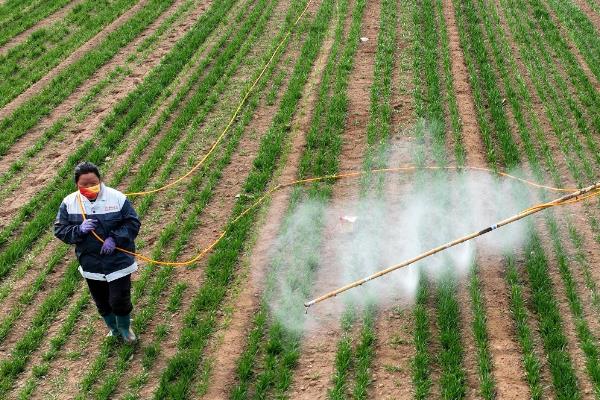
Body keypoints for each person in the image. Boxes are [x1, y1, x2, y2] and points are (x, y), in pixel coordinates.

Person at [54, 162, 141, 343]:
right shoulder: (69, 203)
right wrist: (79, 230)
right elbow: (60, 230)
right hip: (90, 261)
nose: (89, 187)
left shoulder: (117, 198)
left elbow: (132, 223)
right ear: (77, 185)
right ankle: (113, 328)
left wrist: (114, 239)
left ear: (100, 180)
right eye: (83, 185)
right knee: (101, 301)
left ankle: (125, 329)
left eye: (93, 183)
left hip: (118, 259)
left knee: (119, 299)